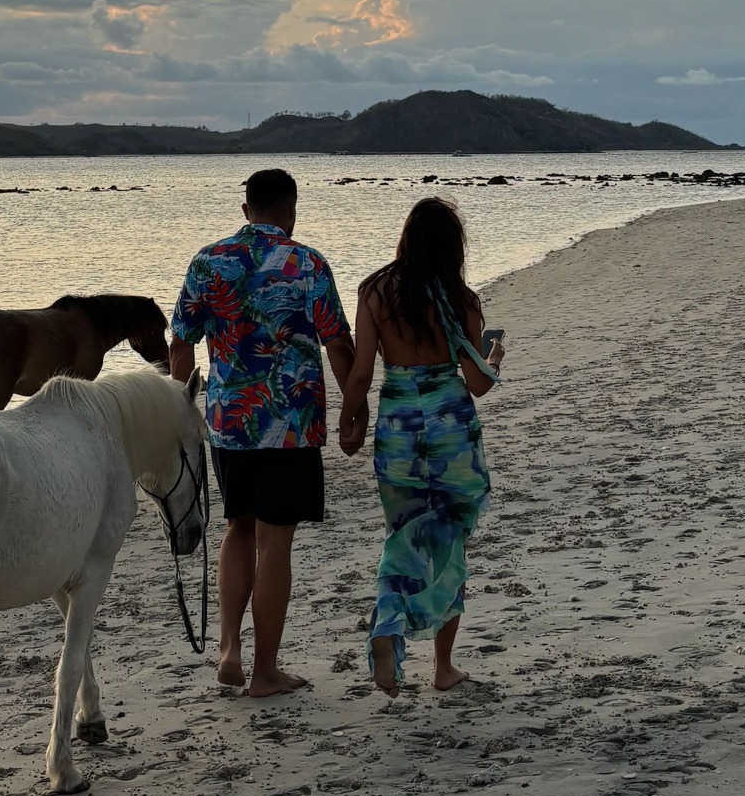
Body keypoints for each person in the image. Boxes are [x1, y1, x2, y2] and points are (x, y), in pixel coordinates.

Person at [168, 166, 352, 701]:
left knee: (238, 529)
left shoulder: (208, 261)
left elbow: (180, 342)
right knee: (276, 543)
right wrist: (355, 407)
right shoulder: (308, 263)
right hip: (292, 425)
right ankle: (265, 671)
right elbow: (339, 343)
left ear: (245, 211)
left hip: (229, 424)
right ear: (291, 211)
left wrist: (181, 408)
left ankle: (229, 650)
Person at [338, 195, 502, 698]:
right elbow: (477, 382)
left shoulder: (375, 292)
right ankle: (442, 666)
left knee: (403, 534)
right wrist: (495, 353)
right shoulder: (461, 298)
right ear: (454, 246)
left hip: (400, 423)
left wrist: (349, 420)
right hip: (451, 425)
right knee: (448, 541)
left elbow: (361, 371)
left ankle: (389, 625)